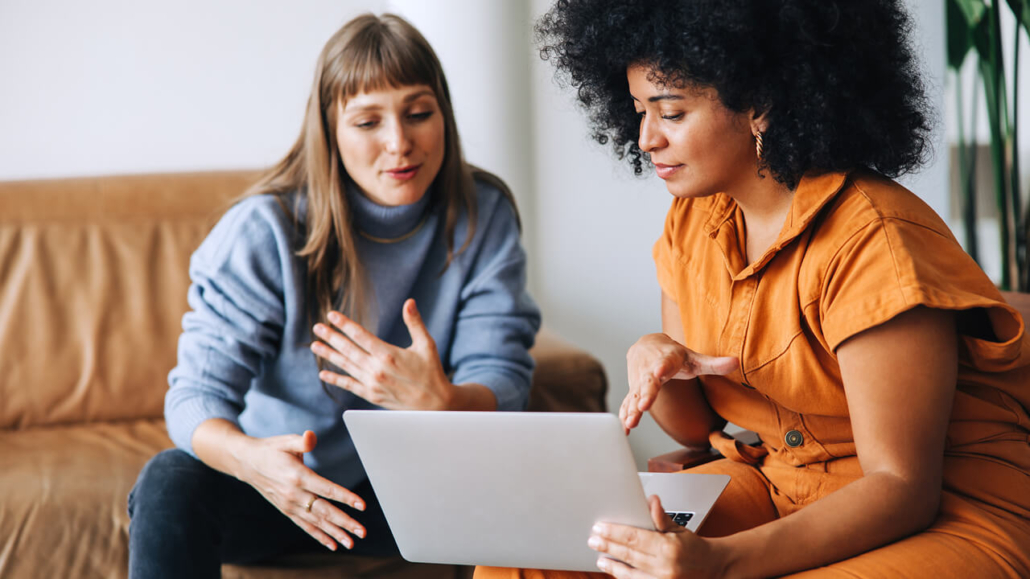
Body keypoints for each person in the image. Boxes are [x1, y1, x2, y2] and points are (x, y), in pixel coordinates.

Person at [477, 1, 1030, 578]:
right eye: (639, 110)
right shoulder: (693, 221)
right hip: (775, 482)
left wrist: (718, 563)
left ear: (760, 104)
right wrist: (654, 358)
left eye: (670, 112)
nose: (645, 139)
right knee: (525, 561)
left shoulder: (875, 241)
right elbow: (695, 430)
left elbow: (902, 487)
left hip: (950, 513)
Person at [127, 13, 540, 578]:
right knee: (170, 479)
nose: (400, 143)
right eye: (368, 122)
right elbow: (196, 398)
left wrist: (442, 400)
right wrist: (256, 464)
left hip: (411, 488)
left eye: (419, 113)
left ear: (443, 113)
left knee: (532, 480)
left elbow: (504, 378)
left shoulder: (482, 212)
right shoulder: (264, 230)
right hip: (282, 486)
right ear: (330, 130)